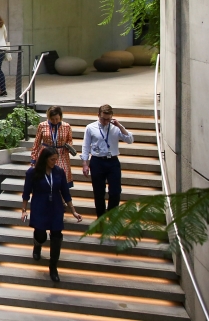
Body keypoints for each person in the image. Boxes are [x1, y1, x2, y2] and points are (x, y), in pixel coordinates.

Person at [21, 147, 83, 282]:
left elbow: (65, 192)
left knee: (56, 236)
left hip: (55, 206)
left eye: (56, 159)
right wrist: (24, 210)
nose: (55, 162)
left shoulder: (59, 172)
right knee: (40, 233)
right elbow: (26, 192)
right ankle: (37, 245)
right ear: (45, 159)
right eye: (52, 159)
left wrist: (73, 210)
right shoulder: (33, 172)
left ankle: (53, 267)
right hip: (40, 206)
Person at [82, 104, 134, 217]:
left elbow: (130, 140)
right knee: (99, 191)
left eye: (108, 119)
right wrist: (85, 164)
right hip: (97, 161)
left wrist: (119, 126)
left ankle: (112, 215)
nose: (105, 121)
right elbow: (86, 147)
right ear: (98, 115)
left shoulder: (116, 127)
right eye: (103, 119)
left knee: (115, 191)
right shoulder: (90, 127)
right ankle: (100, 217)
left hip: (113, 162)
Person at [30, 106, 74, 187]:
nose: (55, 121)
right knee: (45, 178)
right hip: (46, 153)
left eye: (57, 119)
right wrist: (34, 158)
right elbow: (36, 143)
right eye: (52, 119)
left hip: (61, 154)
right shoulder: (42, 125)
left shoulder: (66, 126)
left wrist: (69, 147)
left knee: (61, 179)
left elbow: (69, 140)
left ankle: (61, 198)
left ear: (60, 117)